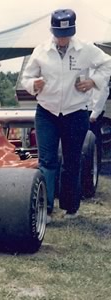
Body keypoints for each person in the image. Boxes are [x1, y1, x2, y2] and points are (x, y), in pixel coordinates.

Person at [21, 9, 111, 221]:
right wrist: (34, 84)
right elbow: (27, 77)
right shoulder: (41, 51)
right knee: (47, 161)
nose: (62, 39)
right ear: (52, 31)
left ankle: (71, 208)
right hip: (47, 113)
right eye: (59, 35)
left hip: (76, 112)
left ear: (72, 31)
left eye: (67, 34)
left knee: (72, 161)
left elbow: (107, 63)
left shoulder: (86, 49)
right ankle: (46, 208)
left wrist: (93, 81)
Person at [88, 76, 110, 167]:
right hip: (84, 109)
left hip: (92, 110)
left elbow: (103, 91)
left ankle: (94, 166)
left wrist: (95, 113)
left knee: (92, 140)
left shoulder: (97, 70)